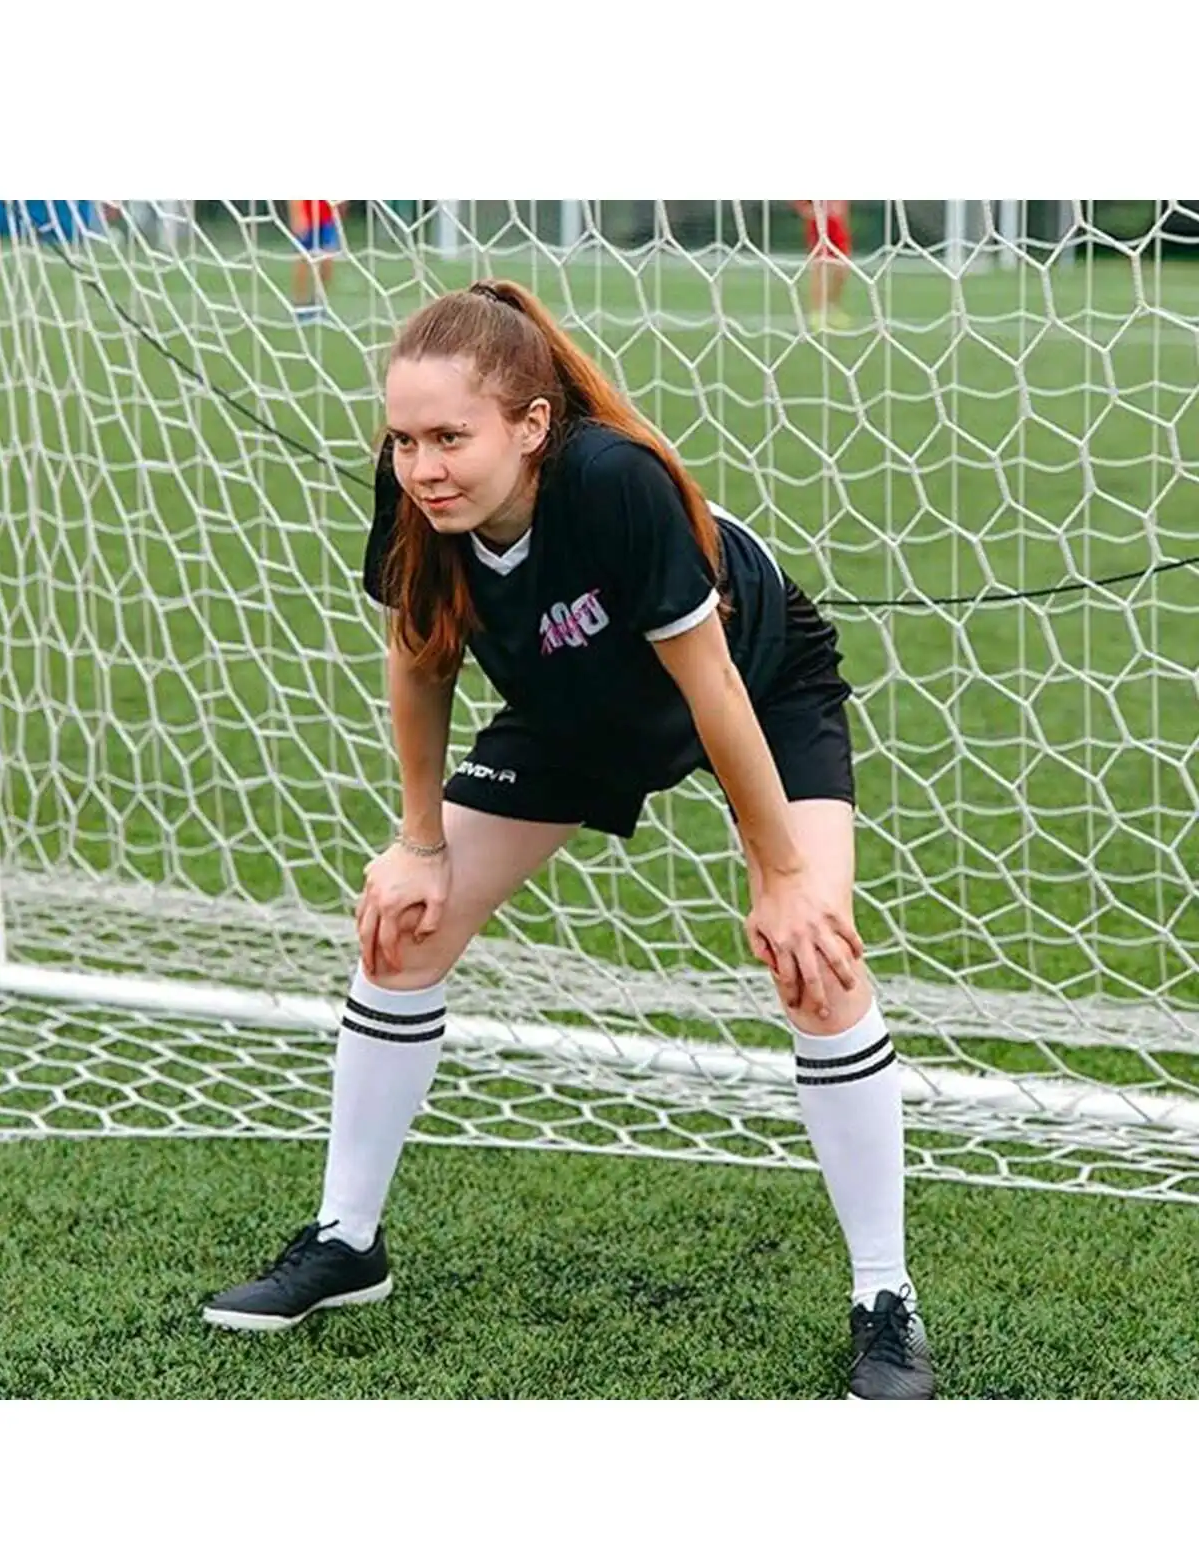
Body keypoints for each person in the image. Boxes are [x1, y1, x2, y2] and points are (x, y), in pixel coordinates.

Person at [202, 279, 935, 1400]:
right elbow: (420, 659)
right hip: (568, 712)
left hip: (757, 684)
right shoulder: (416, 505)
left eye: (451, 436)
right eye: (404, 440)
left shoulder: (614, 485)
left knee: (817, 960)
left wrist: (782, 873)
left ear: (531, 426)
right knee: (403, 933)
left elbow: (715, 689)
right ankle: (347, 1241)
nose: (423, 465)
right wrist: (420, 842)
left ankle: (885, 1300)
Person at [794, 201, 853, 330]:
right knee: (820, 270)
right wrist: (815, 213)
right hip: (820, 226)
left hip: (838, 227)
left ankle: (833, 309)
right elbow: (803, 206)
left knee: (842, 270)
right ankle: (817, 313)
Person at [288, 199, 341, 322]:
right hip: (307, 218)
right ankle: (299, 304)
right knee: (303, 260)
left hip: (327, 219)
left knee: (328, 260)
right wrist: (297, 214)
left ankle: (318, 303)